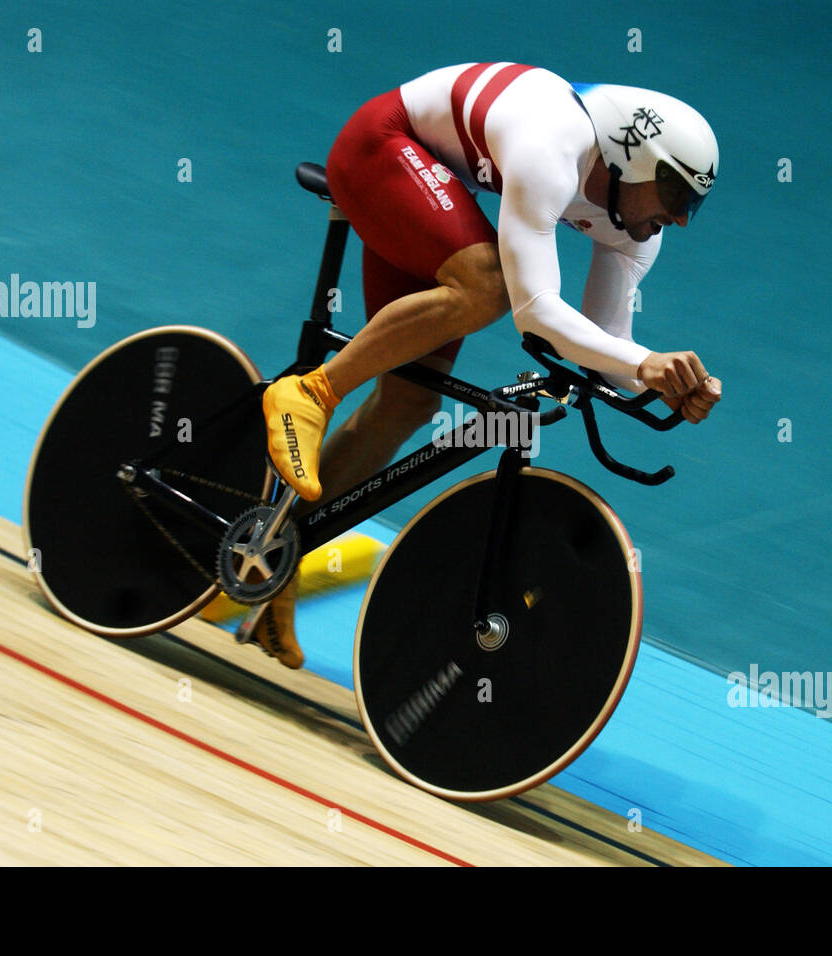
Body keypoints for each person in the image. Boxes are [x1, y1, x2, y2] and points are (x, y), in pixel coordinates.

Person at [245, 62, 724, 668]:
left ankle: (276, 561)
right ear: (633, 156)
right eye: (678, 194)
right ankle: (311, 392)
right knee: (488, 284)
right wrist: (646, 363)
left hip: (437, 185)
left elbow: (607, 347)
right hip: (381, 146)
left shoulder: (638, 231)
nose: (681, 219)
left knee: (408, 404)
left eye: (695, 205)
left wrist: (666, 385)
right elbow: (535, 311)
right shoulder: (552, 142)